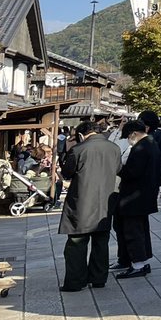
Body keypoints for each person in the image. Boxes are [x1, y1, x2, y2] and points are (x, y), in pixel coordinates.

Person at [59, 122, 121, 292]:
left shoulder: (79, 149)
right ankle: (99, 278)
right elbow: (117, 169)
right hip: (105, 201)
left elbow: (67, 172)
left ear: (81, 134)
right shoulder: (114, 148)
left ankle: (75, 281)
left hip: (82, 201)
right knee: (101, 241)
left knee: (77, 242)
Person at [114, 121, 160, 280]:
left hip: (134, 196)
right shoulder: (151, 143)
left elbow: (132, 172)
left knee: (133, 230)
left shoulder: (140, 148)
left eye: (128, 136)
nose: (128, 139)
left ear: (133, 133)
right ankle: (143, 261)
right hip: (145, 194)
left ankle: (138, 264)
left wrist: (119, 168)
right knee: (141, 229)